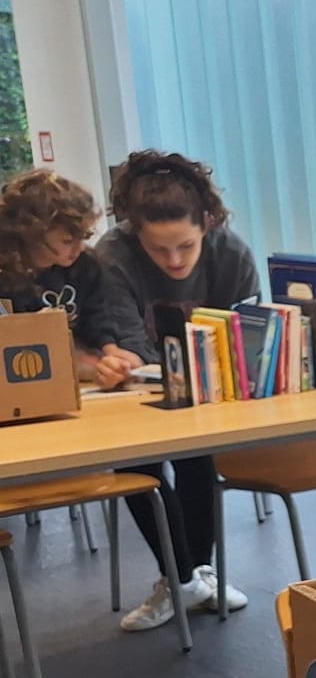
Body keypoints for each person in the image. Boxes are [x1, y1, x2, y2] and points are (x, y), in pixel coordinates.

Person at [99, 150, 261, 630]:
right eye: (159, 250)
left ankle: (192, 576)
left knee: (198, 456)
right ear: (135, 233)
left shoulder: (230, 254)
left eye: (185, 247)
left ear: (206, 224)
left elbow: (250, 334)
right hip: (136, 390)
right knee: (137, 464)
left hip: (212, 390)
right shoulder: (113, 256)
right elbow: (130, 344)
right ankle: (184, 579)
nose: (173, 260)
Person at [0, 169, 146, 390]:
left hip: (80, 375)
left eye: (84, 237)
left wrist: (112, 351)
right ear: (31, 235)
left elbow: (98, 317)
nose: (79, 247)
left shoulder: (86, 266)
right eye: (68, 240)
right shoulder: (7, 276)